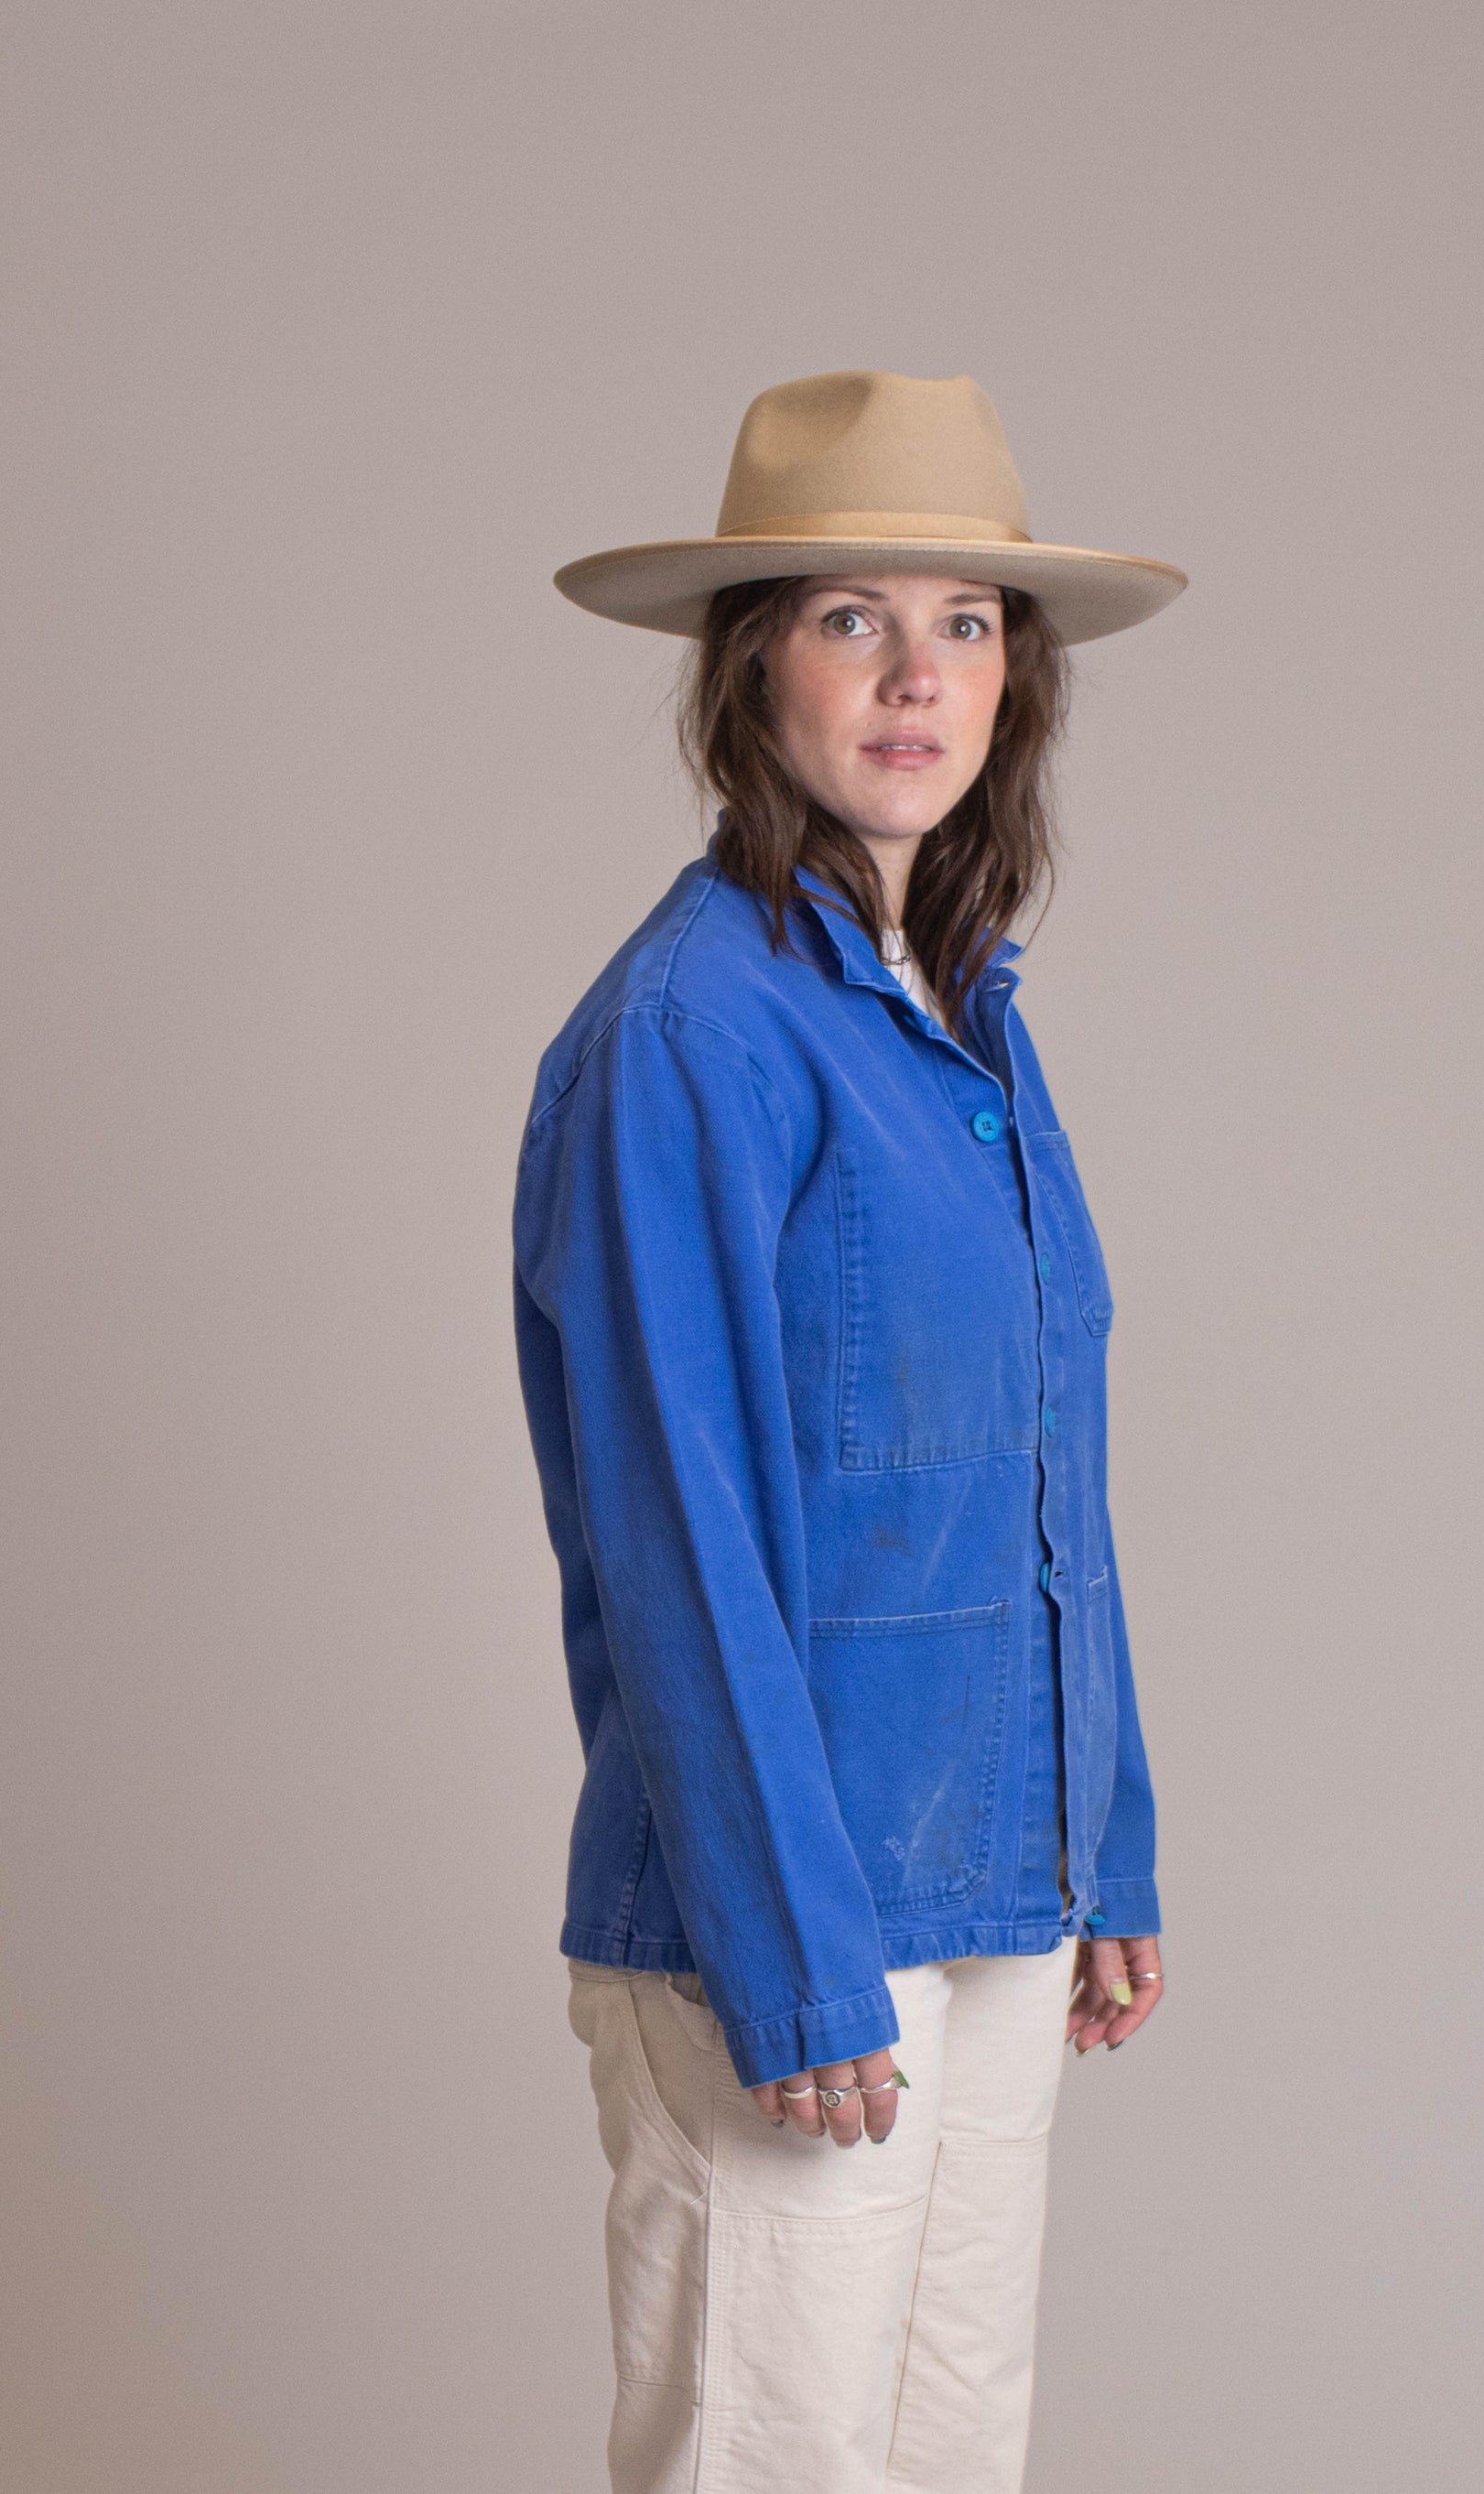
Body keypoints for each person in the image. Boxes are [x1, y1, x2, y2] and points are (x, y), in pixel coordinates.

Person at [513, 369, 1186, 2494]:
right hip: (793, 1920)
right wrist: (791, 1953)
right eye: (849, 619)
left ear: (1015, 679)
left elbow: (1041, 1470)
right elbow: (679, 1533)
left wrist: (1103, 1833)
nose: (917, 676)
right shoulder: (691, 1031)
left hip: (990, 1887)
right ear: (751, 671)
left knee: (951, 2453)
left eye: (965, 624)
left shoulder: (958, 1011)